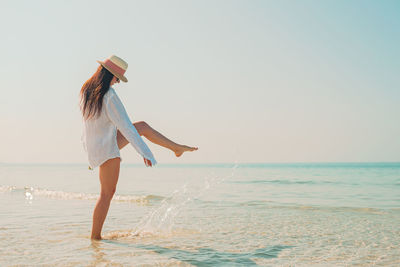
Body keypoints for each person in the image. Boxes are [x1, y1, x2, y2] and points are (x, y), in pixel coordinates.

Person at [80, 55, 198, 240]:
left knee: (142, 126)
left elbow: (93, 124)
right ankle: (95, 238)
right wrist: (145, 152)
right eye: (117, 78)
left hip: (96, 144)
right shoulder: (109, 96)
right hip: (105, 147)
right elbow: (125, 126)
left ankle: (176, 148)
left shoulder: (87, 90)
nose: (118, 82)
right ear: (110, 75)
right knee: (106, 194)